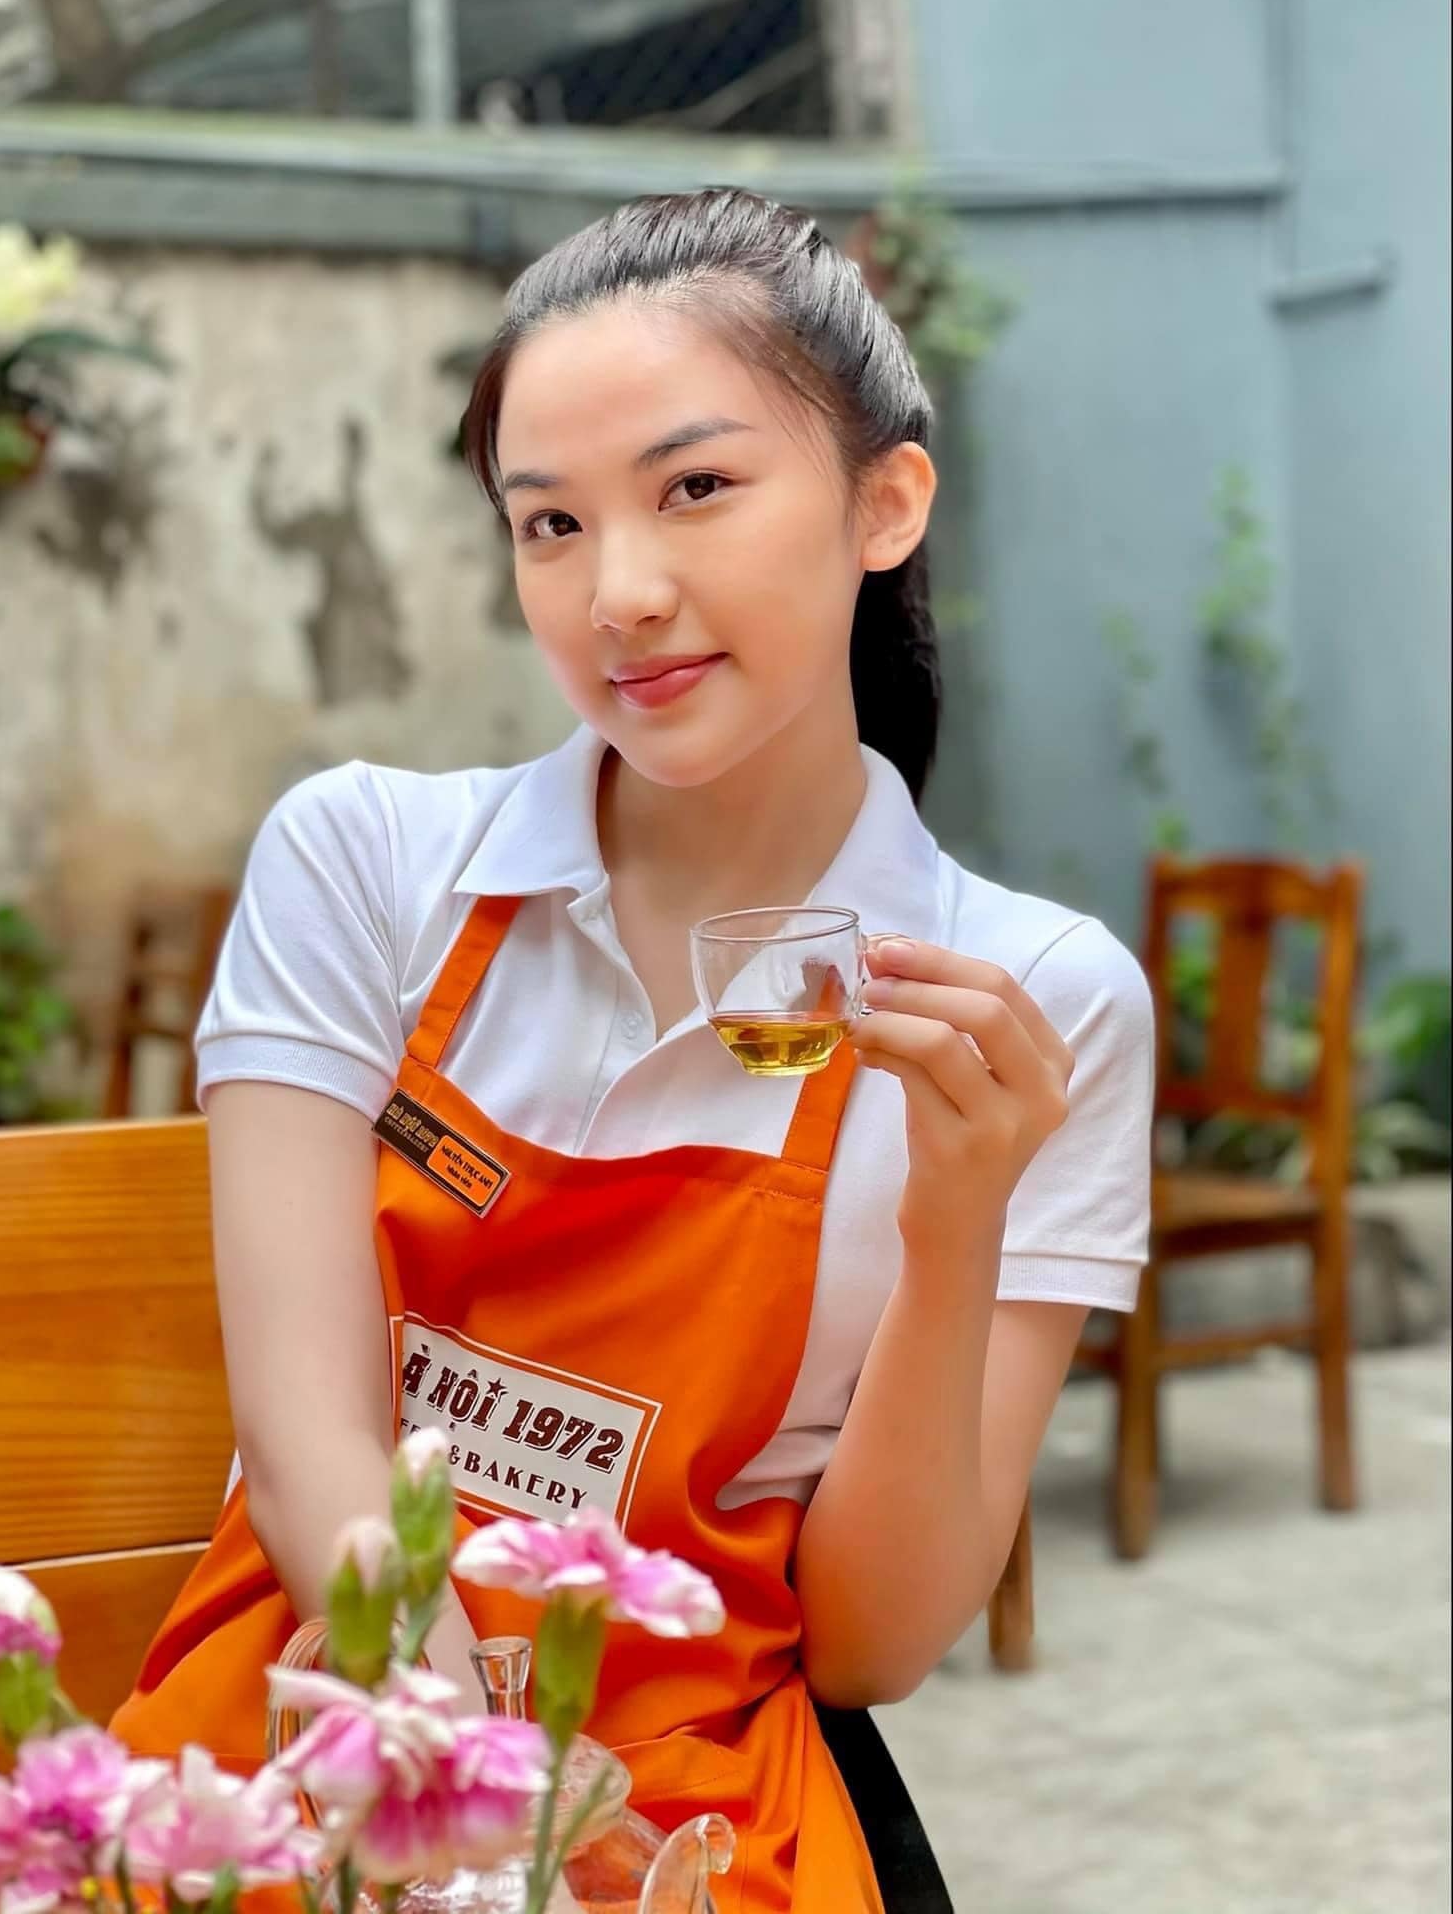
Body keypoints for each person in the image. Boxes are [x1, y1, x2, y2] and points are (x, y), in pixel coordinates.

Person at [111, 188, 1153, 1910]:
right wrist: (475, 1807)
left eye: (695, 489)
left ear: (885, 503)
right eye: (550, 524)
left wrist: (957, 1217)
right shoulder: (369, 865)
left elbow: (872, 1645)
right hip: (326, 1705)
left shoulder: (1037, 1000)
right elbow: (309, 1444)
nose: (621, 595)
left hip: (706, 1809)